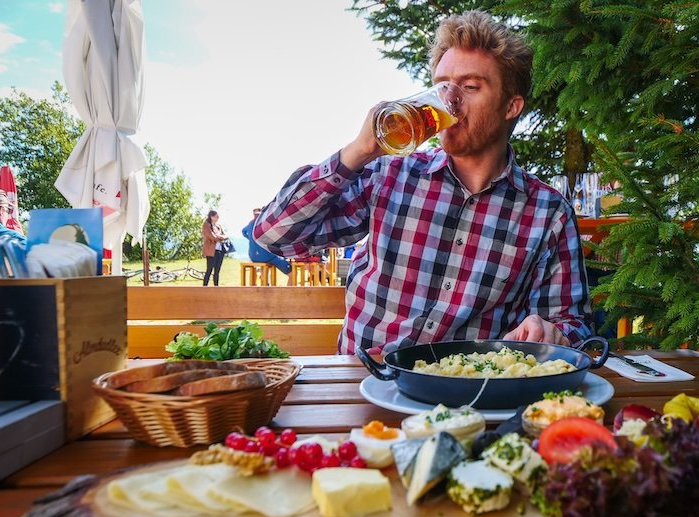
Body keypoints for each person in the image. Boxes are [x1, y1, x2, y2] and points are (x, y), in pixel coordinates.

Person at [253, 11, 591, 355]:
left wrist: (552, 331)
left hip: (467, 394)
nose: (451, 100)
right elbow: (274, 235)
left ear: (511, 106)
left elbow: (572, 324)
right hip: (364, 385)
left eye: (471, 87)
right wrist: (357, 151)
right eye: (442, 84)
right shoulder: (389, 175)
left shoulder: (547, 212)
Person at [243, 208, 291, 274]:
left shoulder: (251, 223)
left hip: (253, 256)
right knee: (292, 272)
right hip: (267, 256)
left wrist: (251, 239)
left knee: (265, 264)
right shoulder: (266, 223)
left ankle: (265, 282)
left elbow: (243, 231)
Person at [201, 210, 229, 286]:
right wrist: (220, 237)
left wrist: (220, 237)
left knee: (217, 271)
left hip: (220, 250)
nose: (218, 218)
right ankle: (204, 287)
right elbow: (212, 237)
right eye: (216, 216)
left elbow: (226, 235)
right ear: (211, 217)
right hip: (211, 251)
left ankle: (216, 287)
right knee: (209, 269)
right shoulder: (206, 225)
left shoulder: (218, 225)